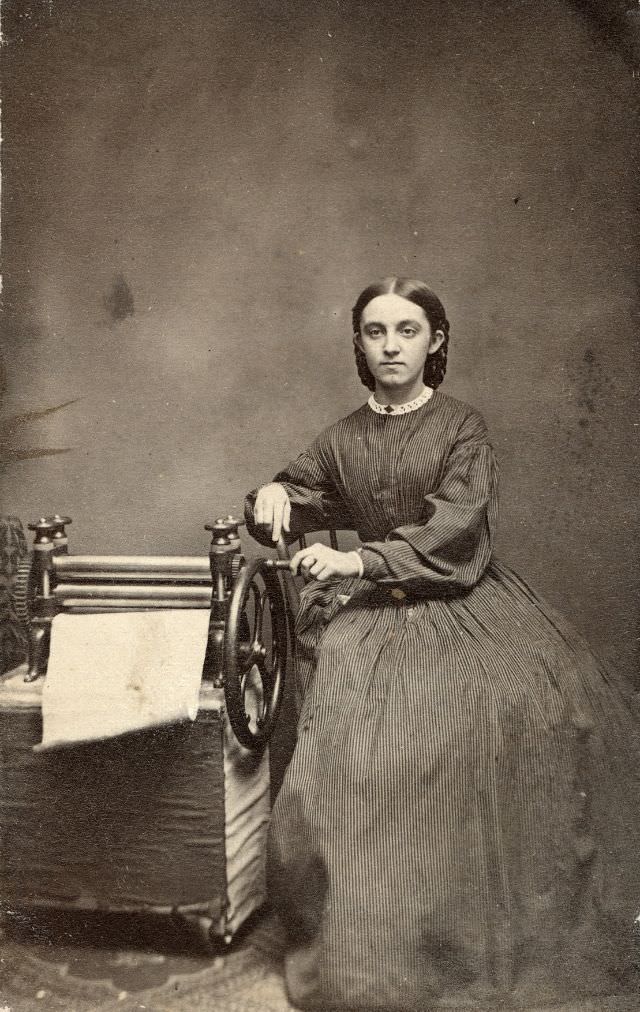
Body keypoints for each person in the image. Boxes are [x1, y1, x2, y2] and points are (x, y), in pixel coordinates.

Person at [244, 277, 640, 1011]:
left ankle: (480, 934)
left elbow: (457, 529)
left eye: (407, 330)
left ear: (436, 341)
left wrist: (359, 558)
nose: (391, 346)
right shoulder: (342, 437)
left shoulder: (463, 427)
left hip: (462, 598)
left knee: (523, 704)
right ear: (359, 345)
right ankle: (367, 949)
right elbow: (304, 495)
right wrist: (271, 494)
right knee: (352, 740)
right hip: (370, 616)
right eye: (375, 332)